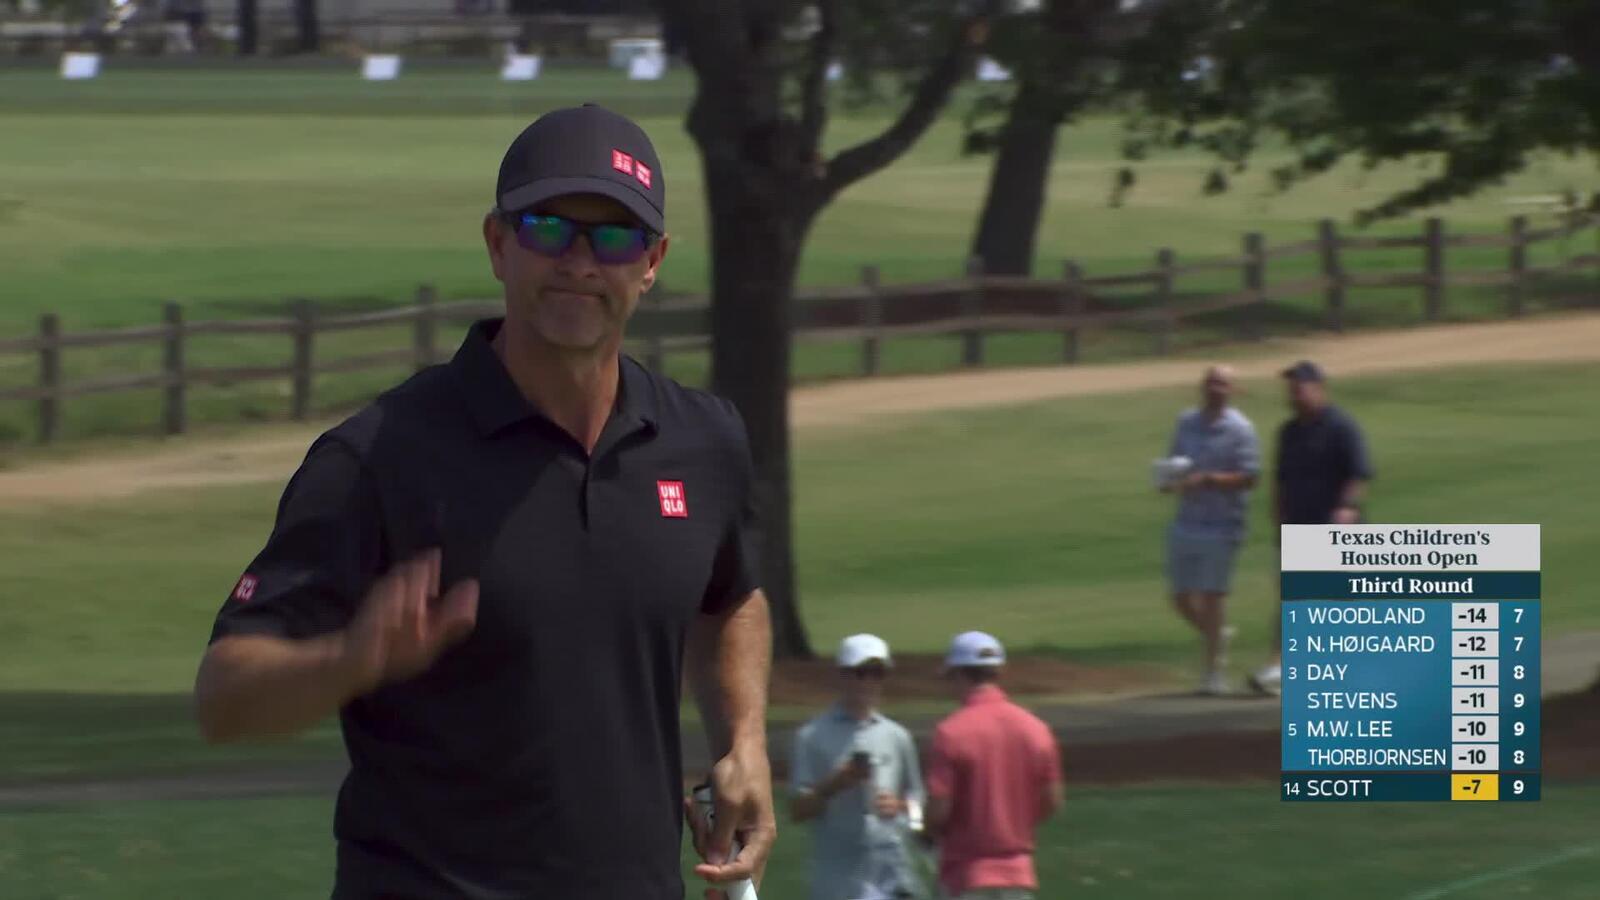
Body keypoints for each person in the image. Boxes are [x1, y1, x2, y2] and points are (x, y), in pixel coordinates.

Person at [192, 104, 776, 900]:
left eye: (613, 238)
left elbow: (731, 593)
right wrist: (349, 660)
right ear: (499, 243)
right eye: (548, 229)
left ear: (652, 262)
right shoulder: (378, 457)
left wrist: (744, 740)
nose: (579, 261)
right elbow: (225, 696)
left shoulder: (702, 442)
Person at [1250, 360, 1374, 695]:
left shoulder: (1341, 426)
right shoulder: (1288, 432)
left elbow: (1359, 473)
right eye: (1291, 388)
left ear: (1319, 388)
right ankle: (1278, 669)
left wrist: (1347, 509)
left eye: (1300, 387)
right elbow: (1281, 481)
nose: (1294, 393)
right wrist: (1279, 523)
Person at [924, 632, 1063, 900]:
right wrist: (1014, 823)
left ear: (960, 674)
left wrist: (926, 830)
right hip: (1018, 875)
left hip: (965, 876)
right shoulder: (1036, 729)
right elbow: (1052, 801)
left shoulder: (951, 732)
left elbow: (939, 810)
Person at [791, 634, 927, 900]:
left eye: (877, 673)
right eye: (860, 672)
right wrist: (832, 786)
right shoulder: (811, 736)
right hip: (838, 881)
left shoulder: (897, 736)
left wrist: (899, 807)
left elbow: (919, 806)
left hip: (892, 876)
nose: (868, 682)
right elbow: (797, 810)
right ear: (842, 675)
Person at [1158, 364, 1260, 695]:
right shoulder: (1185, 422)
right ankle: (1217, 634)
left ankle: (1213, 673)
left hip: (1222, 524)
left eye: (1222, 383)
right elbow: (1175, 461)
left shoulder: (1241, 429)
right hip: (1187, 519)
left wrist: (1210, 479)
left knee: (1213, 597)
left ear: (1233, 390)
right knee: (1180, 597)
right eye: (1211, 382)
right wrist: (1169, 480)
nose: (1215, 388)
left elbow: (1249, 476)